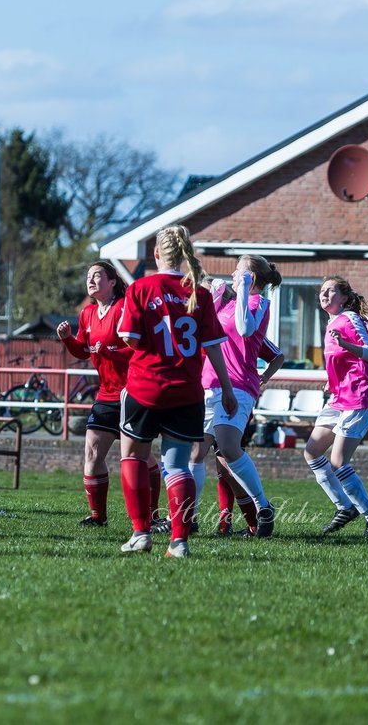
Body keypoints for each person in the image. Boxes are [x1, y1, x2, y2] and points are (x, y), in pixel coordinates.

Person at [115, 224, 237, 559]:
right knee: (178, 466)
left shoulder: (140, 287)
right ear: (184, 256)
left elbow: (131, 339)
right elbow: (214, 348)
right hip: (187, 391)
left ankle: (140, 533)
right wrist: (227, 389)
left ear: (156, 254)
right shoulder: (199, 292)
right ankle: (179, 541)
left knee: (134, 456)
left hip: (146, 388)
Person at [56, 261, 161, 528]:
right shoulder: (87, 313)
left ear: (112, 281)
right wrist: (68, 338)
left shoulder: (126, 306)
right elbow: (84, 351)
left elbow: (141, 346)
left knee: (140, 457)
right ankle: (97, 517)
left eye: (97, 276)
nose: (90, 280)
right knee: (91, 453)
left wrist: (111, 352)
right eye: (88, 276)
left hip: (133, 393)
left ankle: (152, 515)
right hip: (106, 395)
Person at [193, 256, 286, 539]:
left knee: (229, 448)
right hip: (209, 383)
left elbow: (245, 329)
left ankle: (263, 506)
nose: (233, 274)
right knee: (196, 452)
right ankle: (188, 516)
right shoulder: (231, 302)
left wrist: (244, 289)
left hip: (239, 386)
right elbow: (205, 331)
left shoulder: (260, 304)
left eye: (239, 270)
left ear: (251, 278)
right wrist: (213, 298)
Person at [304, 276, 368, 537]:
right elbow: (339, 363)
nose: (324, 295)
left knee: (338, 462)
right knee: (312, 451)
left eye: (331, 291)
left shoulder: (350, 318)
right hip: (338, 397)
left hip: (358, 397)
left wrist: (346, 345)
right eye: (322, 291)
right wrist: (331, 382)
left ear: (344, 297)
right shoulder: (330, 322)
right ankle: (344, 507)